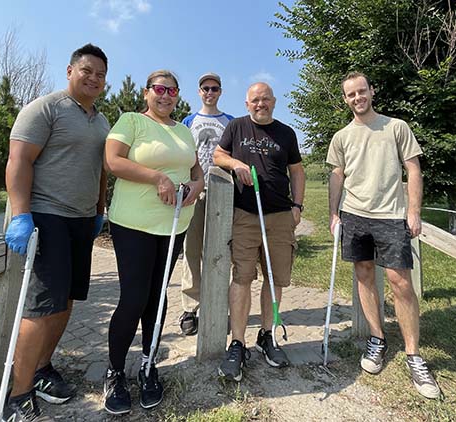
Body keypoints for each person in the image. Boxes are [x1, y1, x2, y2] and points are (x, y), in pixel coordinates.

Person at [3, 43, 110, 421]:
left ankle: (43, 368)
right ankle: (18, 394)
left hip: (83, 221)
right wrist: (21, 214)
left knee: (66, 300)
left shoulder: (101, 121)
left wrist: (99, 212)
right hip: (47, 217)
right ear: (70, 71)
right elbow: (19, 161)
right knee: (41, 306)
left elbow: (100, 172)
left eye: (100, 74)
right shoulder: (45, 108)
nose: (94, 78)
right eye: (87, 71)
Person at [326, 71, 441, 399]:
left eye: (362, 91)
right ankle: (377, 339)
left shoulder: (396, 127)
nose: (357, 98)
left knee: (400, 282)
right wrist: (334, 214)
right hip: (355, 215)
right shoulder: (342, 136)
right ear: (345, 99)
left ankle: (413, 354)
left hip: (391, 215)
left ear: (372, 91)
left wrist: (414, 210)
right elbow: (337, 175)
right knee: (363, 275)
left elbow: (414, 168)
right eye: (351, 94)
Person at [103, 70, 204, 414]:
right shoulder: (131, 121)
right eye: (159, 89)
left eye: (172, 90)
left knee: (157, 301)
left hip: (174, 225)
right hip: (134, 224)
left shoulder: (184, 131)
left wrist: (196, 188)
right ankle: (115, 372)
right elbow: (113, 161)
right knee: (134, 298)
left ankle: (148, 366)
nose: (166, 95)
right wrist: (157, 176)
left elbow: (197, 171)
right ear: (147, 93)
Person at [213, 82, 305, 381]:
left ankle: (267, 336)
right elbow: (217, 155)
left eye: (265, 99)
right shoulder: (237, 127)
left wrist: (298, 206)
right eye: (255, 100)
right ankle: (237, 343)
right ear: (247, 102)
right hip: (246, 215)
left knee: (275, 278)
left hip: (279, 216)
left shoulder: (286, 133)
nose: (260, 104)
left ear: (274, 101)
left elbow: (298, 172)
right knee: (241, 278)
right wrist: (236, 162)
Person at [178, 72, 234, 336]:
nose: (209, 92)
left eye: (214, 88)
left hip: (223, 192)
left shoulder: (230, 122)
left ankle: (220, 304)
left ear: (220, 92)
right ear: (199, 92)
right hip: (195, 192)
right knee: (192, 249)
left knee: (222, 251)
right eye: (205, 88)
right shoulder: (189, 121)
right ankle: (190, 306)